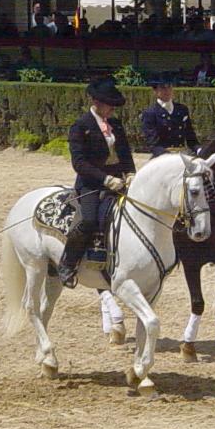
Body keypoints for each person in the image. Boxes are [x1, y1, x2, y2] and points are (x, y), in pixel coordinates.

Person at [57, 78, 136, 288]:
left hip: (118, 181)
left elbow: (125, 153)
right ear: (96, 102)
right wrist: (106, 179)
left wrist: (130, 173)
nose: (112, 109)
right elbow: (79, 163)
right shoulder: (81, 126)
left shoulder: (116, 125)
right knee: (89, 220)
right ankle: (68, 263)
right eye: (109, 104)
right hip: (91, 183)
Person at [141, 77, 200, 158]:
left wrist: (199, 150)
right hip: (162, 158)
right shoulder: (150, 113)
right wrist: (169, 156)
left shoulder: (182, 109)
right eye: (163, 87)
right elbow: (152, 143)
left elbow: (191, 137)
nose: (167, 90)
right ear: (155, 91)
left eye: (169, 87)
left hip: (182, 155)